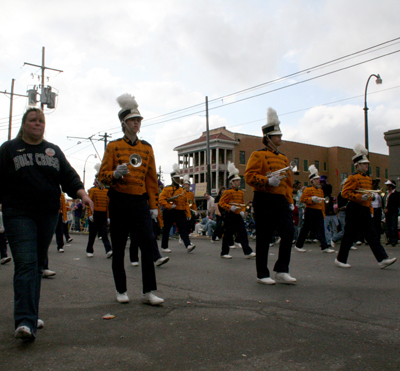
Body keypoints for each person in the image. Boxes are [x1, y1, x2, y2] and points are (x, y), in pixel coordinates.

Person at [0, 107, 93, 341]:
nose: (37, 124)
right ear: (24, 124)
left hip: (47, 215)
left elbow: (69, 177)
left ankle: (31, 315)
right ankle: (24, 321)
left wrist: (83, 194)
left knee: (38, 265)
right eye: (33, 120)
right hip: (18, 214)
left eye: (41, 121)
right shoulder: (9, 149)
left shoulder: (53, 151)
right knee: (26, 263)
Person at [98, 93, 163, 306]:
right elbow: (102, 177)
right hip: (119, 200)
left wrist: (153, 206)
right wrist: (114, 174)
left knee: (147, 244)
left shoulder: (147, 148)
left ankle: (148, 291)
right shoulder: (113, 146)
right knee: (118, 246)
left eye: (139, 120)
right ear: (124, 123)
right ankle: (121, 289)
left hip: (139, 202)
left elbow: (152, 179)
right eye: (134, 120)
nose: (137, 123)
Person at [244, 107, 296, 285]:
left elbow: (288, 183)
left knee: (289, 233)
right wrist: (267, 181)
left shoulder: (283, 158)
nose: (280, 138)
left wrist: (289, 201)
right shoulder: (258, 155)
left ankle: (282, 270)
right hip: (264, 199)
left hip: (280, 200)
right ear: (268, 138)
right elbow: (249, 176)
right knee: (264, 236)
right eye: (277, 136)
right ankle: (262, 273)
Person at [335, 144, 396, 269]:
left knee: (372, 234)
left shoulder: (368, 179)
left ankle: (382, 259)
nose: (367, 166)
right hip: (354, 208)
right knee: (349, 235)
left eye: (367, 164)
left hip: (364, 209)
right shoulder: (352, 178)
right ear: (357, 165)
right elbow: (344, 193)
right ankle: (340, 259)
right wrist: (358, 197)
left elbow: (367, 194)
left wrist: (370, 203)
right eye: (364, 164)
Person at [219, 162, 256, 259]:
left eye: (239, 180)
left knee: (243, 233)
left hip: (238, 215)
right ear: (232, 182)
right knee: (227, 234)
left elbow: (243, 203)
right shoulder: (227, 192)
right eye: (236, 181)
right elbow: (221, 203)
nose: (238, 182)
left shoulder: (241, 192)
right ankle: (224, 252)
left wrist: (243, 210)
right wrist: (230, 207)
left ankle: (247, 251)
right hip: (230, 215)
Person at [294, 165, 335, 254]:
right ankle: (298, 245)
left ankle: (324, 247)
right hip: (310, 211)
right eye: (316, 179)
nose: (318, 181)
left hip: (318, 211)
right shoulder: (308, 189)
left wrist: (323, 213)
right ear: (312, 181)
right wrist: (311, 199)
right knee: (305, 229)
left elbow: (322, 203)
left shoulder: (320, 191)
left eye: (318, 179)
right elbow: (302, 200)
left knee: (321, 229)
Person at [159, 164, 196, 253]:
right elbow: (161, 199)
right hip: (170, 211)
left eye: (178, 178)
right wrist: (169, 206)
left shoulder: (182, 190)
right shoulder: (167, 189)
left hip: (180, 212)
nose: (178, 180)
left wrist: (188, 213)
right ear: (172, 179)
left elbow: (186, 203)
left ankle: (188, 245)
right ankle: (164, 246)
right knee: (167, 229)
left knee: (183, 228)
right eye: (176, 178)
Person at [86, 170, 113, 258]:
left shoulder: (107, 191)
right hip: (95, 213)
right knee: (92, 234)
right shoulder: (92, 190)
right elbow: (89, 203)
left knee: (104, 233)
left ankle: (108, 250)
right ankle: (89, 250)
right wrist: (90, 214)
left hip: (103, 214)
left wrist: (108, 217)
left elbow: (107, 205)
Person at [384, 180, 399, 246]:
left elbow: (395, 203)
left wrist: (388, 208)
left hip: (393, 211)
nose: (387, 186)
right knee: (388, 225)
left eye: (388, 185)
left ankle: (394, 239)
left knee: (394, 225)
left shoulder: (396, 194)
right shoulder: (386, 193)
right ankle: (389, 238)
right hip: (387, 212)